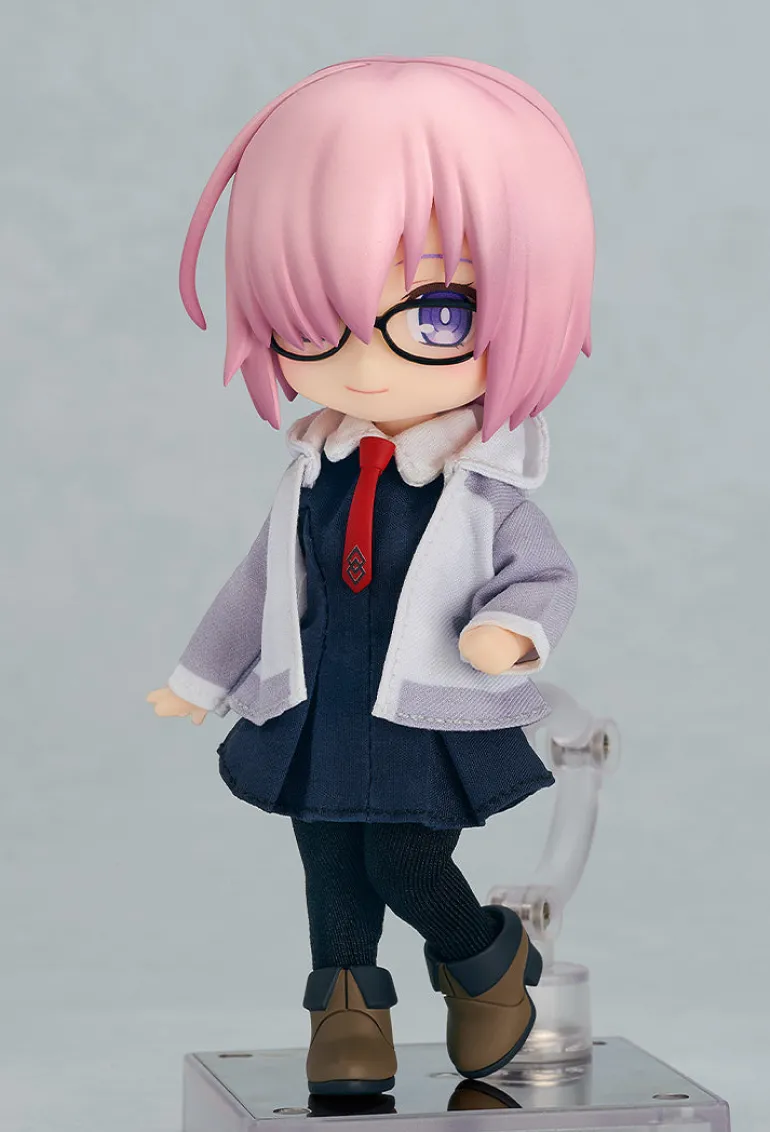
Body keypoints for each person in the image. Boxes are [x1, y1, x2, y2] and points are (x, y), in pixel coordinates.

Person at [148, 56, 594, 1096]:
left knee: (400, 854)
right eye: (314, 322)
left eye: (434, 313)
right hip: (319, 707)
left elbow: (543, 573)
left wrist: (511, 631)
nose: (361, 361)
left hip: (417, 714)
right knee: (326, 862)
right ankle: (346, 1012)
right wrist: (199, 679)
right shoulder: (314, 472)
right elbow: (262, 585)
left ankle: (482, 957)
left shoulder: (479, 490)